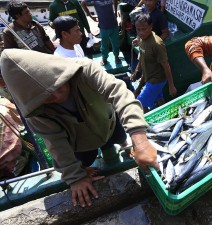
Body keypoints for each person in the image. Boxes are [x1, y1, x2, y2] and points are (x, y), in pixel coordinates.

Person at [0, 48, 159, 207]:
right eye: (46, 97)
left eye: (58, 85)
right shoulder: (35, 112)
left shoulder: (85, 69)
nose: (56, 97)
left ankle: (125, 146)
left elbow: (121, 95)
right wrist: (75, 177)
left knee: (120, 138)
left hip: (108, 122)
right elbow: (56, 144)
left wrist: (141, 141)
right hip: (80, 144)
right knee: (85, 161)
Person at [131, 13, 176, 112]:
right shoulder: (140, 38)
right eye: (138, 29)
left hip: (157, 79)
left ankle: (148, 125)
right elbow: (142, 57)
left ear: (151, 27)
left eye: (144, 29)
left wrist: (171, 85)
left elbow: (166, 65)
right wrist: (136, 71)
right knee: (159, 99)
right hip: (148, 76)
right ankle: (169, 116)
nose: (141, 32)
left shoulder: (157, 44)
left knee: (139, 104)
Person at [81, 0, 121, 65]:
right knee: (104, 44)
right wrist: (90, 16)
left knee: (115, 42)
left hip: (114, 25)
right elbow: (83, 3)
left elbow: (115, 1)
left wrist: (116, 12)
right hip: (103, 27)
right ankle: (104, 58)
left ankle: (116, 56)